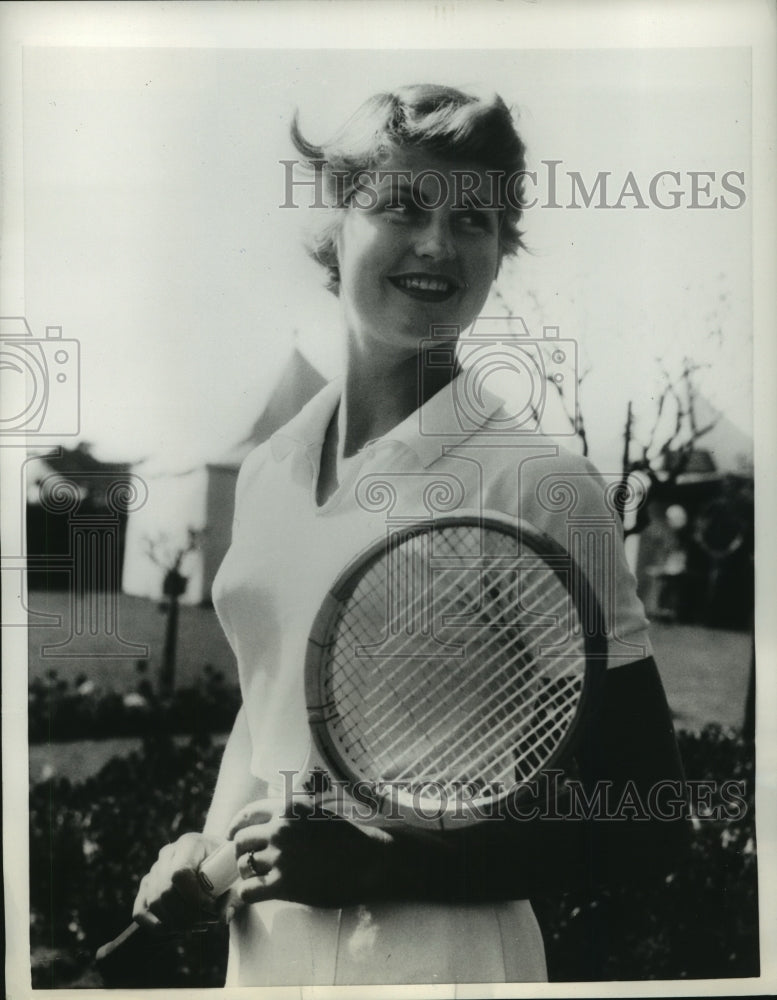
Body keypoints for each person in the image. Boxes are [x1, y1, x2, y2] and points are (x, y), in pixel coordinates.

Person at [132, 84, 688, 986]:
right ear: (332, 229)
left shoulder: (538, 483)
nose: (438, 243)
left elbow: (649, 820)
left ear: (501, 251)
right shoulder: (273, 469)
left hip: (447, 965)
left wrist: (388, 863)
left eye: (475, 220)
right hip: (263, 963)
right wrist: (204, 850)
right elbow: (269, 710)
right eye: (401, 205)